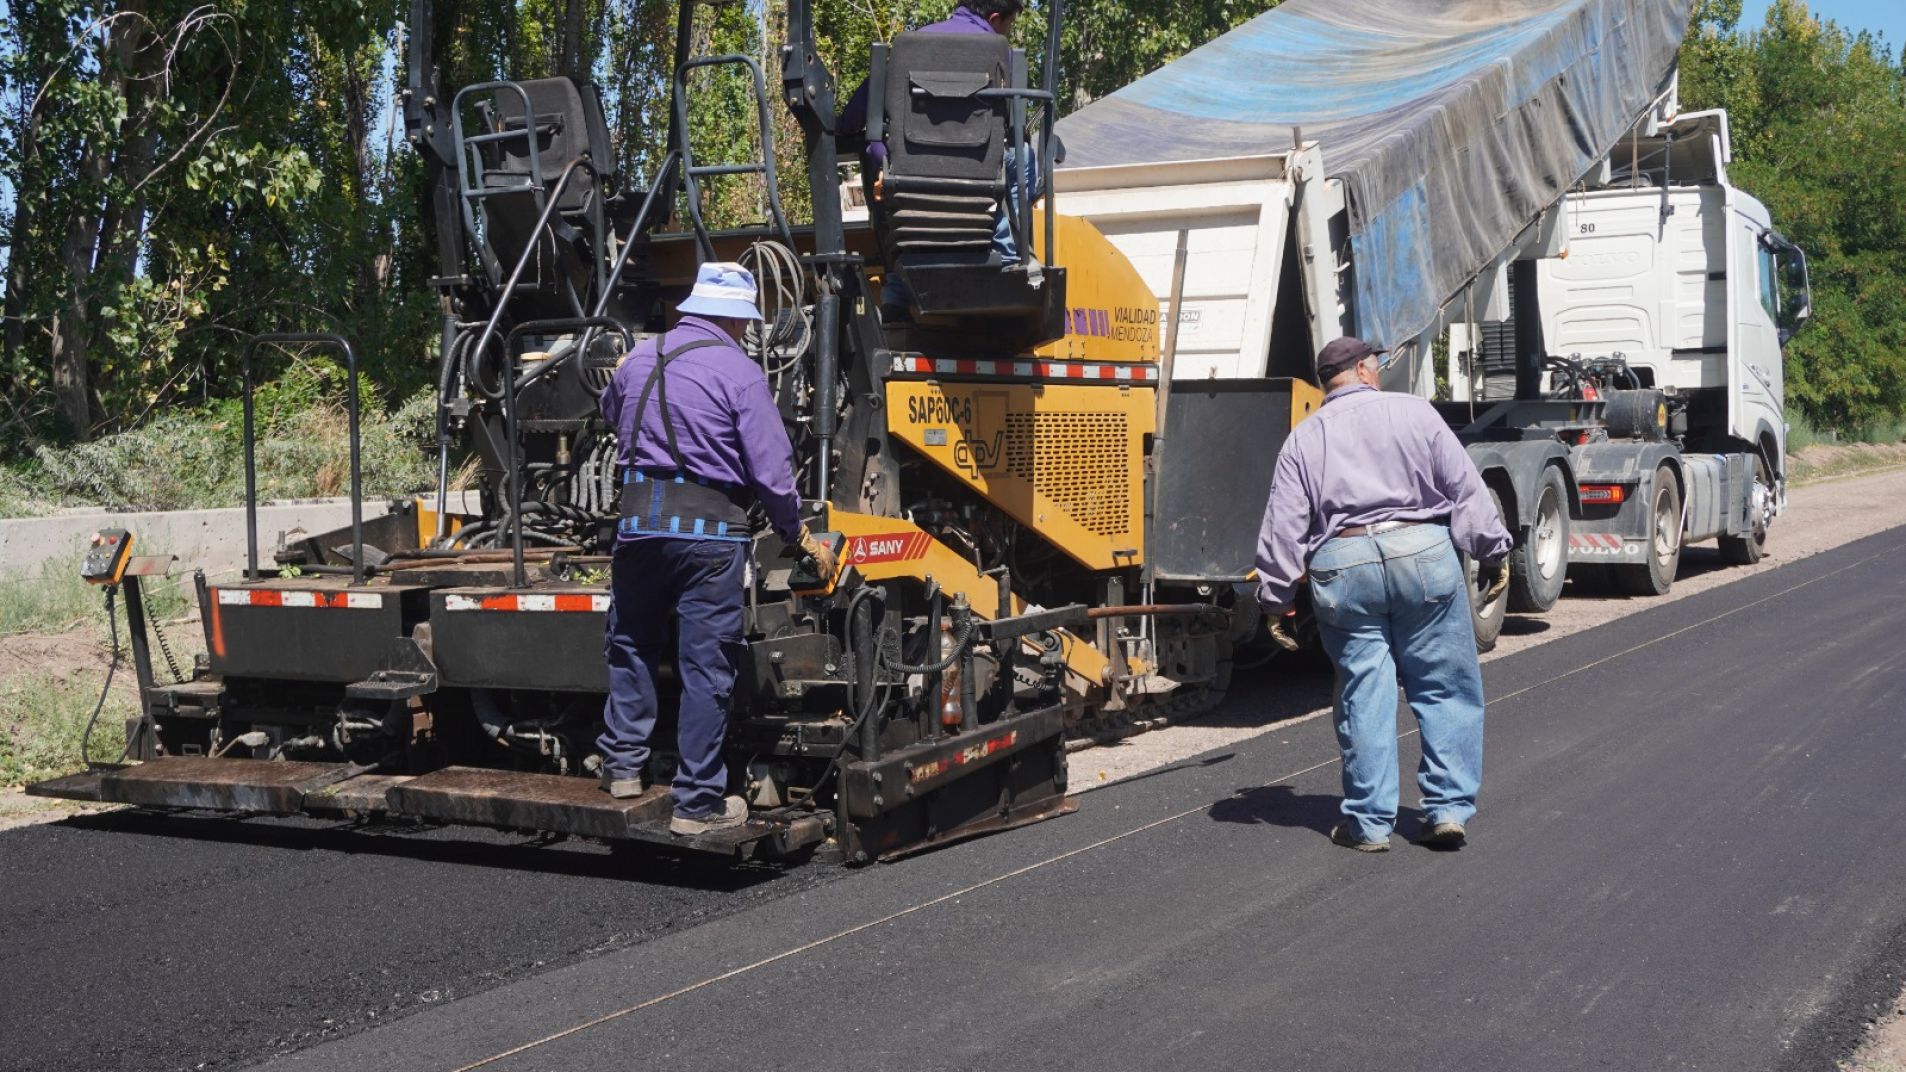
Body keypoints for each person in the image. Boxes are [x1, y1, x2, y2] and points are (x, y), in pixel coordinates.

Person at [597, 262, 838, 835]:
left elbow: (609, 413)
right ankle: (697, 803)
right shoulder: (740, 374)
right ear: (734, 319)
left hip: (637, 529)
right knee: (706, 667)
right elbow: (771, 471)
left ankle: (623, 769)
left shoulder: (639, 359)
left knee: (631, 645)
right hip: (708, 538)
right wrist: (798, 535)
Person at [1254, 337, 1513, 852]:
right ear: (1365, 370)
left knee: (1364, 692)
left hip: (1343, 566)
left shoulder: (1303, 439)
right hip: (1422, 555)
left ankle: (1369, 824)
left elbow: (1284, 526)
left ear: (1326, 383)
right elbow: (1465, 487)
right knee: (1444, 685)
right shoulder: (1415, 413)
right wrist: (1493, 549)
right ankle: (1446, 810)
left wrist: (1275, 598)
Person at [836, 0, 1039, 318]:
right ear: (995, 18)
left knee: (882, 171)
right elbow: (1013, 128)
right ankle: (1012, 256)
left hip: (907, 179)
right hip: (980, 177)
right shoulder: (1001, 57)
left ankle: (896, 288)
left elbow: (852, 119)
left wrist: (880, 153)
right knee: (1023, 157)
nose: (1008, 33)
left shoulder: (907, 49)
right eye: (1009, 25)